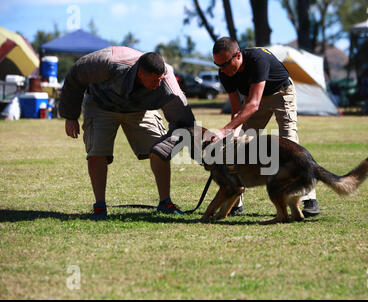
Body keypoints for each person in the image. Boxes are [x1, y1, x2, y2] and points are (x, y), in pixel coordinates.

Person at [60, 46, 195, 220]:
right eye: (154, 80)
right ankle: (100, 206)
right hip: (101, 104)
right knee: (97, 151)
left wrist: (197, 145)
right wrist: (70, 115)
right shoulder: (107, 63)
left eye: (160, 80)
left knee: (160, 148)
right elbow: (76, 74)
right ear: (141, 74)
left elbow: (184, 120)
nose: (158, 84)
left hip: (139, 108)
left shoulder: (166, 81)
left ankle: (165, 203)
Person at [211, 37, 320, 217]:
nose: (223, 70)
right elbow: (238, 109)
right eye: (218, 65)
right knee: (241, 147)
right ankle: (235, 200)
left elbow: (253, 105)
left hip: (281, 93)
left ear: (238, 55)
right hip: (253, 100)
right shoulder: (225, 72)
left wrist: (225, 130)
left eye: (226, 64)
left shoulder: (257, 60)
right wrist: (232, 137)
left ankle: (309, 199)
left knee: (290, 142)